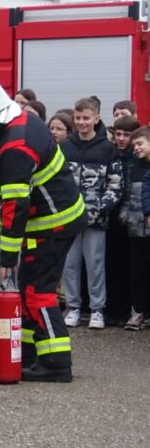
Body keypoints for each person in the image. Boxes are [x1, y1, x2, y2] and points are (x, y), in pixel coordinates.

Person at [0, 79, 85, 383]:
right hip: (50, 219)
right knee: (29, 286)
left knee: (36, 291)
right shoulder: (17, 119)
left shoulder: (16, 144)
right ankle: (26, 352)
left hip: (52, 223)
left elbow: (17, 203)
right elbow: (8, 195)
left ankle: (56, 361)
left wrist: (7, 258)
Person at [61, 97, 123, 331]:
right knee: (70, 264)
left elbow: (116, 185)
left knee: (95, 265)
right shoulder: (65, 148)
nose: (81, 122)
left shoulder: (108, 149)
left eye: (86, 118)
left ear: (96, 118)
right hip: (69, 219)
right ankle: (73, 307)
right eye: (78, 118)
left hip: (96, 220)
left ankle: (97, 310)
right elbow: (58, 182)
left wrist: (98, 208)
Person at [106, 114, 140, 326]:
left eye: (126, 135)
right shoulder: (111, 154)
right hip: (112, 216)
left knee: (130, 266)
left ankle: (129, 308)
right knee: (112, 265)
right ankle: (114, 308)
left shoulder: (136, 158)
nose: (121, 138)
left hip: (131, 218)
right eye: (118, 134)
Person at [125, 126, 150, 329]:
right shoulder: (134, 168)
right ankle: (139, 311)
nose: (136, 149)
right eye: (135, 145)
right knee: (137, 272)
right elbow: (127, 195)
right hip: (136, 229)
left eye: (140, 144)